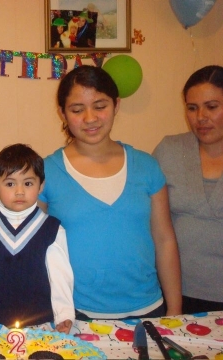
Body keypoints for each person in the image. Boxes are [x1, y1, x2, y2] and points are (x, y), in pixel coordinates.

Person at [38, 65, 182, 321]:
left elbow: (164, 240)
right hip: (77, 315)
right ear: (62, 113)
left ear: (116, 105)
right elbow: (36, 249)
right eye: (77, 110)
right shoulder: (45, 172)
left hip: (150, 310)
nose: (90, 118)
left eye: (100, 106)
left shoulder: (146, 166)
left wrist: (175, 309)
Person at [0, 144, 75, 333]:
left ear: (41, 186)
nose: (20, 191)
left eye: (28, 183)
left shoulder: (52, 229)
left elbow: (60, 277)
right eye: (10, 184)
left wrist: (64, 314)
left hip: (40, 324)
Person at [153, 65, 223, 314]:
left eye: (212, 107)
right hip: (175, 291)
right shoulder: (169, 150)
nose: (200, 117)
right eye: (192, 108)